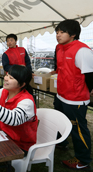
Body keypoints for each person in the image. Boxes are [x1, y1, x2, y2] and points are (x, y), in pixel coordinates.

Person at [52, 19, 93, 170]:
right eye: (57, 32)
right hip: (61, 95)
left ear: (73, 34)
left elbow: (90, 75)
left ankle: (83, 160)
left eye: (62, 32)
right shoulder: (58, 47)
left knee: (79, 130)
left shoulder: (82, 50)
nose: (58, 35)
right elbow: (60, 68)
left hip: (75, 99)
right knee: (59, 122)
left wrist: (85, 92)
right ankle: (61, 143)